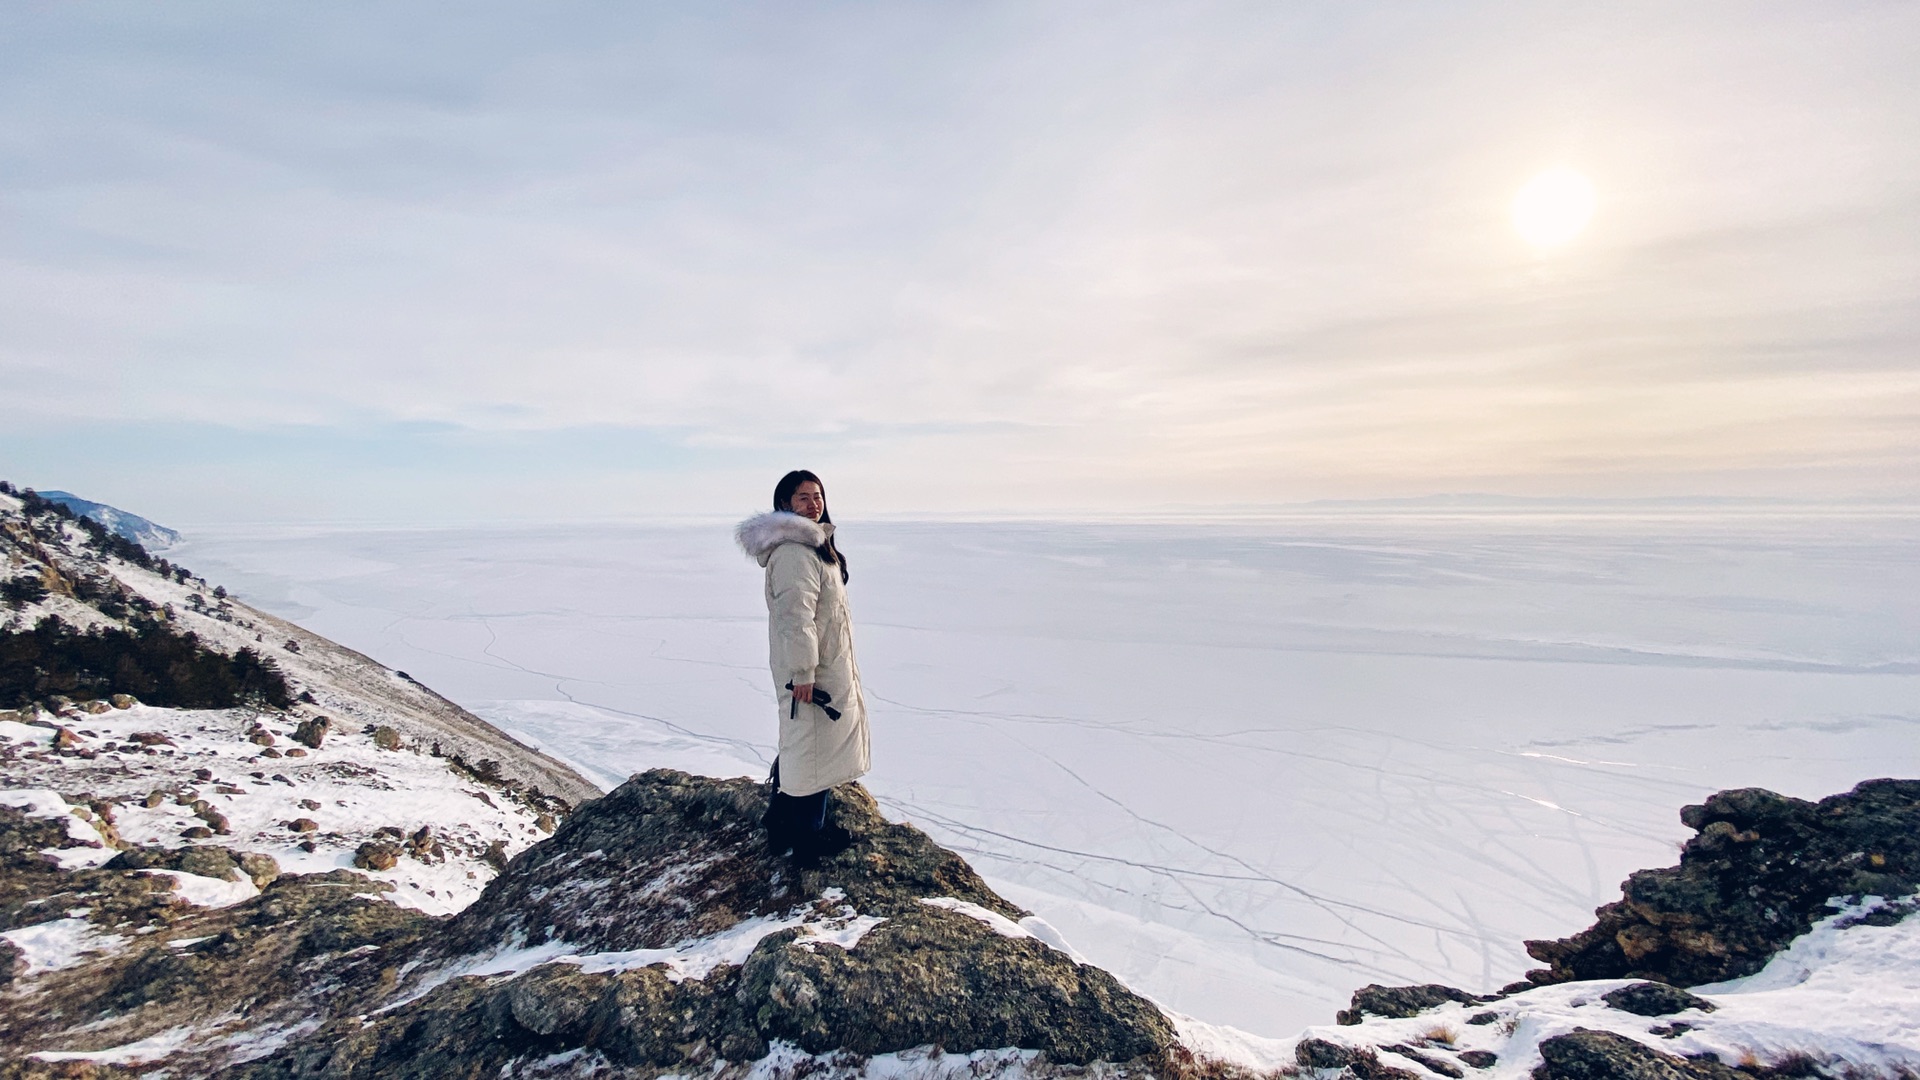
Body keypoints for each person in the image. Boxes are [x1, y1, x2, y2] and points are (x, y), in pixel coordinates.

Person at [734, 470, 870, 866]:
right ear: (785, 505)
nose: (813, 504)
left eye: (817, 496)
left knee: (810, 749)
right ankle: (806, 840)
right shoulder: (795, 552)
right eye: (803, 498)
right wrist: (804, 674)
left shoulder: (812, 545)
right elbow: (797, 618)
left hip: (824, 665)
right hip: (813, 673)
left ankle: (783, 825)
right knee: (810, 753)